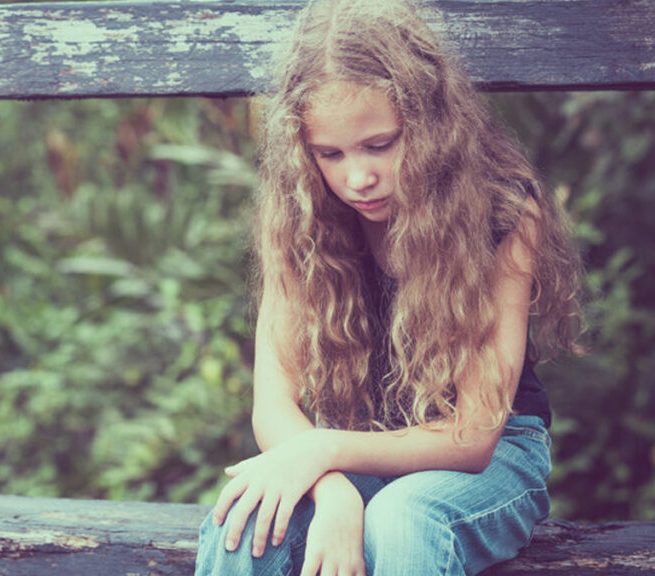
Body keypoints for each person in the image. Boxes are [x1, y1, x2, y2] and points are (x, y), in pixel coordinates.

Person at [193, 0, 584, 574]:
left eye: (380, 144)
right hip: (351, 454)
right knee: (249, 518)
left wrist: (324, 449)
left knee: (401, 517)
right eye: (330, 154)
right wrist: (332, 488)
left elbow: (474, 437)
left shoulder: (501, 210)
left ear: (429, 124)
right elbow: (273, 405)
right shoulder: (301, 215)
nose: (358, 177)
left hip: (490, 462)